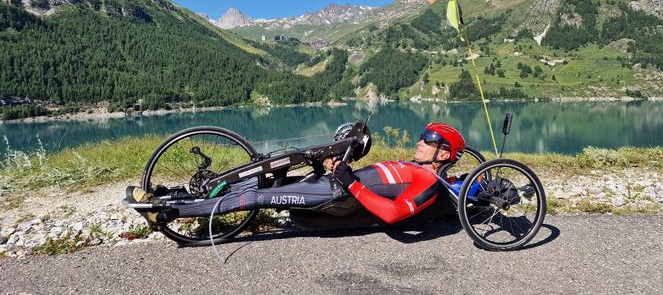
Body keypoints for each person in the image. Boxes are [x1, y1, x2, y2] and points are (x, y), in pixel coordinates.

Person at [125, 122, 466, 226]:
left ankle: (168, 212)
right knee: (259, 179)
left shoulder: (430, 183)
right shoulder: (414, 166)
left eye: (430, 141)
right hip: (335, 183)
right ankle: (177, 195)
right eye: (423, 137)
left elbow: (392, 214)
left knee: (257, 197)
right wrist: (338, 167)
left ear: (445, 154)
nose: (421, 142)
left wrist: (348, 182)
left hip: (337, 195)